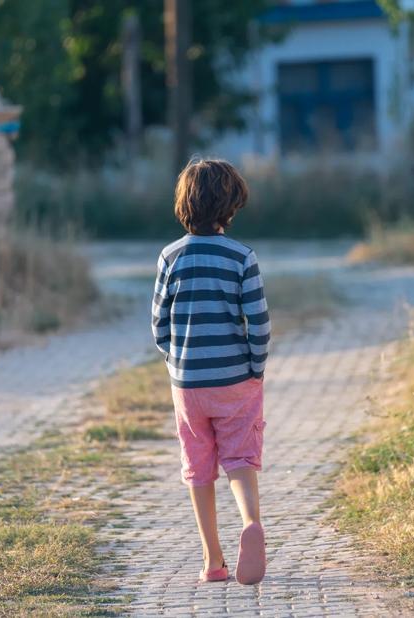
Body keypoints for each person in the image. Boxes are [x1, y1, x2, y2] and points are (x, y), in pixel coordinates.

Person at [151, 158, 270, 585]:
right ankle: (250, 520)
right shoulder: (242, 258)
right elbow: (258, 323)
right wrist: (255, 367)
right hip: (236, 379)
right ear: (231, 204)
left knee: (198, 467)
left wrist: (176, 361)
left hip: (188, 384)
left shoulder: (170, 256)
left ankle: (212, 562)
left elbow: (158, 324)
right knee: (239, 457)